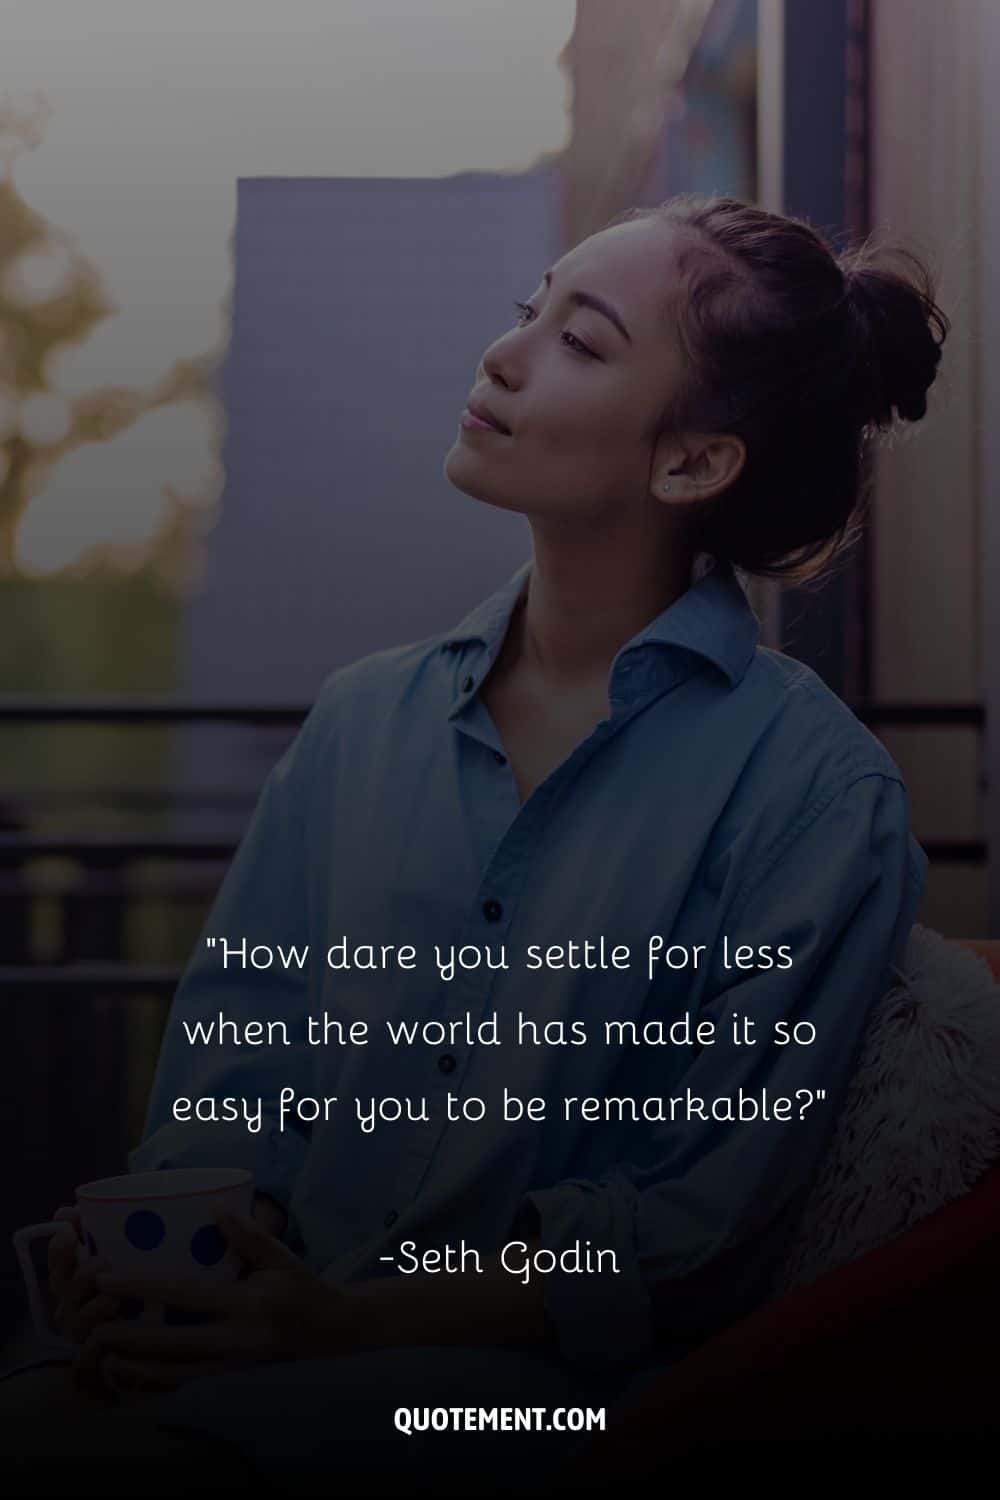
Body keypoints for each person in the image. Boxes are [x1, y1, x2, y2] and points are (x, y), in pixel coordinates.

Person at [5, 194, 948, 1471]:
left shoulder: (816, 795)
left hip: (545, 1406)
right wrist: (164, 1248)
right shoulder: (360, 721)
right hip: (271, 1337)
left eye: (583, 339)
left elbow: (689, 1228)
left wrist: (334, 1324)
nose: (502, 355)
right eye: (527, 310)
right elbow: (234, 1067)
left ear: (690, 463)